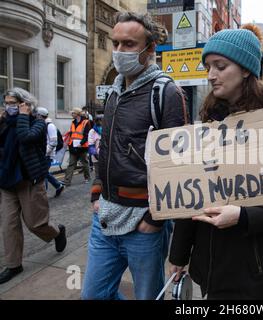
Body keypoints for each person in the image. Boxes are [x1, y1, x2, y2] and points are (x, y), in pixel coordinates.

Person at [168, 25, 263, 299]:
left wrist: (243, 216)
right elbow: (191, 194)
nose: (211, 75)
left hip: (253, 274)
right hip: (208, 269)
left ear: (246, 69)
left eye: (220, 66)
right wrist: (178, 253)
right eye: (208, 66)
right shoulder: (208, 123)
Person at [81, 12, 186, 300]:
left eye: (128, 44)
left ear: (149, 49)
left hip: (143, 225)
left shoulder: (166, 92)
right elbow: (106, 148)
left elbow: (177, 165)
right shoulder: (114, 92)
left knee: (149, 297)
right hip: (104, 217)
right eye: (115, 43)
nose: (118, 52)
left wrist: (154, 219)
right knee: (93, 296)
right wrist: (95, 193)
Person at [0, 88, 67, 284]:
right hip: (6, 181)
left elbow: (26, 137)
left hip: (28, 180)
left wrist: (23, 115)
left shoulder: (38, 122)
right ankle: (14, 265)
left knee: (35, 223)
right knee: (8, 225)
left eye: (14, 103)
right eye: (7, 102)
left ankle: (57, 231)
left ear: (26, 104)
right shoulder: (4, 123)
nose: (10, 106)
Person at [35, 107, 65, 197]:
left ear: (40, 116)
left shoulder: (50, 126)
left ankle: (43, 194)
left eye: (36, 115)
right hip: (42, 154)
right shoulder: (42, 124)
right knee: (44, 173)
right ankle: (58, 185)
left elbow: (53, 142)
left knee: (43, 174)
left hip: (47, 155)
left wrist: (45, 152)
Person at [63, 108, 91, 186]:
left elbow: (86, 135)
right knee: (71, 164)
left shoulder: (85, 122)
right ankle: (67, 181)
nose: (71, 115)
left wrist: (81, 143)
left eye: (73, 113)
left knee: (84, 163)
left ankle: (87, 178)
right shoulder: (72, 123)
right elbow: (72, 134)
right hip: (73, 146)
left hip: (82, 147)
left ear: (77, 114)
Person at [88, 114, 102, 179]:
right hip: (97, 156)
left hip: (107, 156)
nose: (100, 122)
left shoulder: (108, 129)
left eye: (101, 120)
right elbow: (91, 145)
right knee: (98, 175)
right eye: (98, 120)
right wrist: (96, 155)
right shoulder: (92, 131)